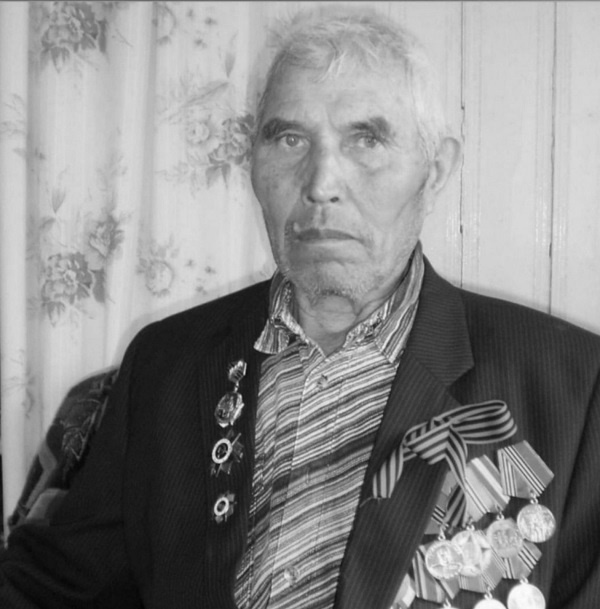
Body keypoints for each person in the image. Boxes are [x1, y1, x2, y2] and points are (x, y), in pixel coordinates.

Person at [1, 6, 600, 609]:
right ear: (253, 165)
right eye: (289, 139)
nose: (320, 184)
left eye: (366, 139)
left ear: (435, 169)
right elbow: (55, 587)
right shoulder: (165, 364)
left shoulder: (574, 390)